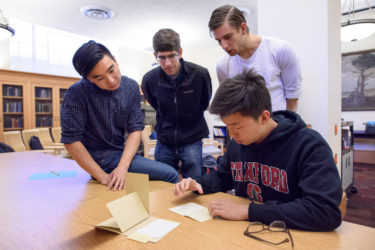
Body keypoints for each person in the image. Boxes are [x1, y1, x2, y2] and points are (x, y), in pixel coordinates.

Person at [173, 70, 342, 231]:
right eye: (227, 126)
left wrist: (248, 211)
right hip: (246, 231)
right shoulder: (238, 143)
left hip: (290, 236)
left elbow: (324, 211)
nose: (231, 135)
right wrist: (199, 183)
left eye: (236, 126)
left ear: (264, 117)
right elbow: (224, 176)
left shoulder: (309, 145)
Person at [61, 41, 179, 191]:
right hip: (99, 159)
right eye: (99, 78)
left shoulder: (130, 87)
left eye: (111, 70)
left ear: (115, 60)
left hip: (120, 155)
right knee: (171, 174)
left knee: (164, 173)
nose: (111, 80)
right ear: (88, 78)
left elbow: (135, 129)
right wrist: (102, 176)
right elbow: (71, 140)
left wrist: (122, 167)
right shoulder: (77, 93)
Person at [141, 29, 212, 178]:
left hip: (192, 139)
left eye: (172, 56)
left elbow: (204, 103)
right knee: (163, 186)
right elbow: (155, 105)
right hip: (164, 140)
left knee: (194, 184)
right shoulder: (149, 79)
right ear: (155, 55)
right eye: (162, 57)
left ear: (179, 52)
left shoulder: (200, 75)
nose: (167, 63)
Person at [209, 5, 301, 112]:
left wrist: (288, 125)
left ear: (243, 28)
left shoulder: (280, 50)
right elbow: (230, 102)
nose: (224, 45)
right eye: (219, 40)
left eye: (228, 37)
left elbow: (292, 96)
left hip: (279, 124)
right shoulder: (223, 65)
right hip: (245, 126)